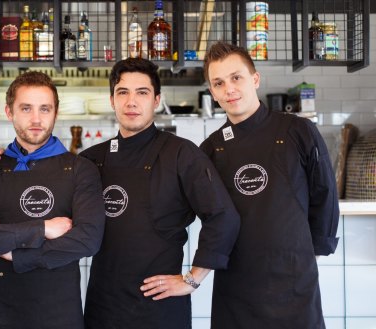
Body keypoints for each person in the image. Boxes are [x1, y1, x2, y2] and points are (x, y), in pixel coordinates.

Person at [78, 58, 240, 329]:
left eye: (142, 92)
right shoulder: (91, 160)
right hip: (103, 305)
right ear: (112, 100)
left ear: (156, 100)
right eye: (123, 92)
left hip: (160, 309)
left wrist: (192, 279)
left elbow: (223, 216)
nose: (131, 102)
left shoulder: (181, 153)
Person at [200, 41, 340, 328]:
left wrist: (308, 250)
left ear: (255, 79)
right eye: (219, 83)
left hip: (293, 276)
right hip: (237, 279)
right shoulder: (211, 149)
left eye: (236, 77)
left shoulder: (298, 130)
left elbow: (324, 193)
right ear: (213, 93)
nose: (229, 89)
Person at [0, 71, 105, 329]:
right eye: (26, 108)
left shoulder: (81, 169)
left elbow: (87, 239)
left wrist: (13, 253)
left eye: (44, 109)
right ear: (9, 111)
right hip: (1, 312)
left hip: (59, 312)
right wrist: (43, 229)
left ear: (56, 113)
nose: (36, 119)